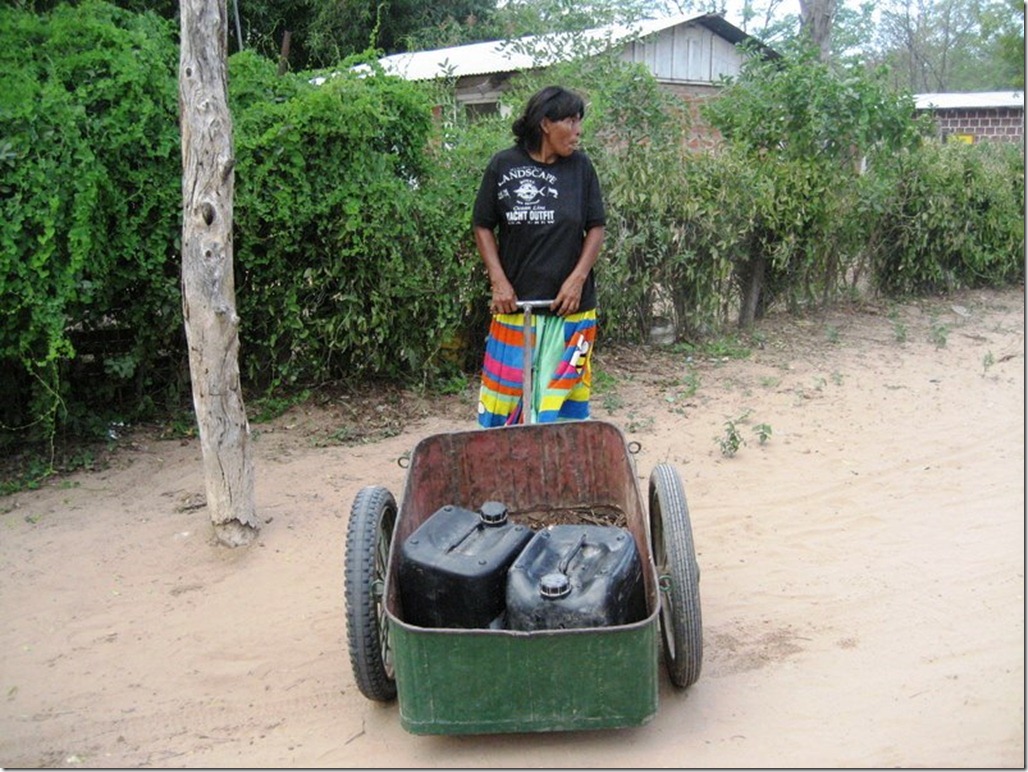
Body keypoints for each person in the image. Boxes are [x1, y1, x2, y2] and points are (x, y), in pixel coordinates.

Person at [472, 85, 606, 427]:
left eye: (580, 121)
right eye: (571, 121)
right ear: (546, 123)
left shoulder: (581, 168)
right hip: (515, 310)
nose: (578, 131)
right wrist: (499, 282)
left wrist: (576, 280)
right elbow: (483, 225)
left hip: (571, 313)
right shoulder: (503, 164)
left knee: (564, 408)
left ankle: (562, 474)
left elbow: (596, 227)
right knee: (504, 407)